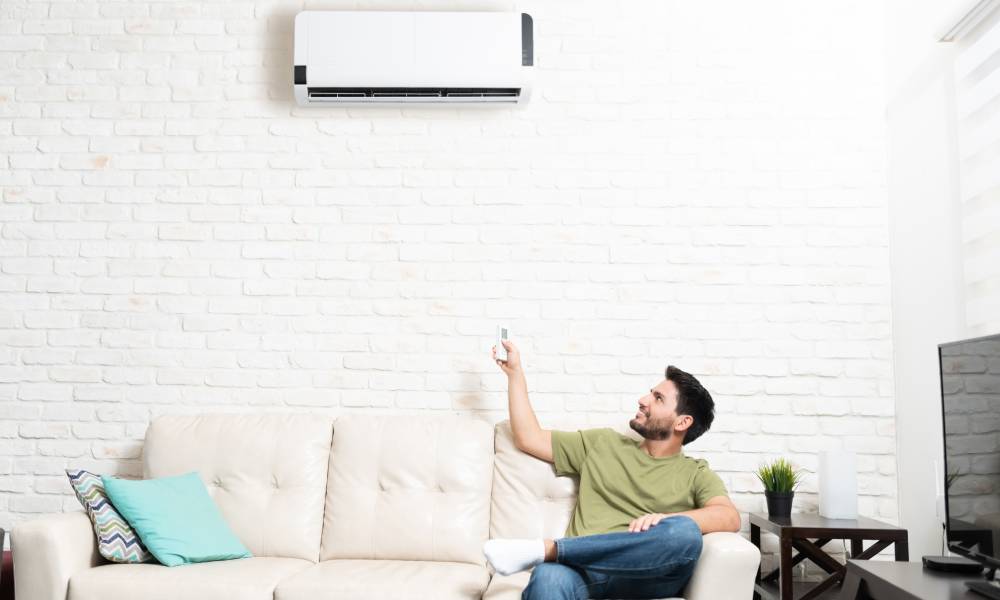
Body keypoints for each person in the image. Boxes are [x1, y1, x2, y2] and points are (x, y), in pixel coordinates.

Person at [484, 339, 740, 600]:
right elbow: (529, 438)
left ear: (683, 422)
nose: (643, 400)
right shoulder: (602, 444)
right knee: (548, 577)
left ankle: (550, 550)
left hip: (647, 576)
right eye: (650, 392)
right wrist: (515, 374)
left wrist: (666, 520)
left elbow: (729, 517)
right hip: (583, 571)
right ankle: (554, 555)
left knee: (685, 533)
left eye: (658, 398)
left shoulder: (695, 472)